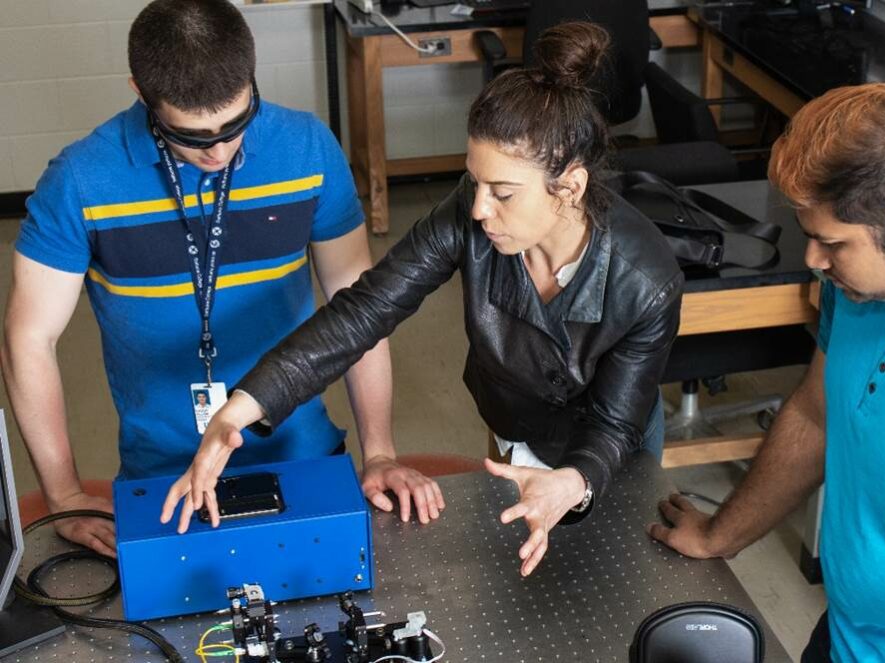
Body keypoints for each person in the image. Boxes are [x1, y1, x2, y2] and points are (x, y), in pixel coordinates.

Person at [161, 22, 685, 577]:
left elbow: (614, 425)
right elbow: (365, 311)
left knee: (608, 586)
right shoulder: (472, 212)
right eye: (474, 182)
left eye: (502, 193)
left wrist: (574, 483)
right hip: (515, 425)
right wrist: (242, 409)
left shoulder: (646, 281)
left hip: (604, 457)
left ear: (570, 187)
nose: (479, 208)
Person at [0, 0, 440, 559]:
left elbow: (359, 310)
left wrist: (378, 451)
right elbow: (27, 340)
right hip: (165, 476)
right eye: (195, 136)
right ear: (142, 92)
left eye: (236, 123)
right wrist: (63, 494)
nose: (221, 150)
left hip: (303, 455)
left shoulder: (307, 148)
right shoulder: (81, 181)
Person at [647, 83, 885, 661]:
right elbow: (816, 412)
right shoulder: (866, 285)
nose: (814, 261)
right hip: (844, 635)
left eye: (831, 242)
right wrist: (722, 534)